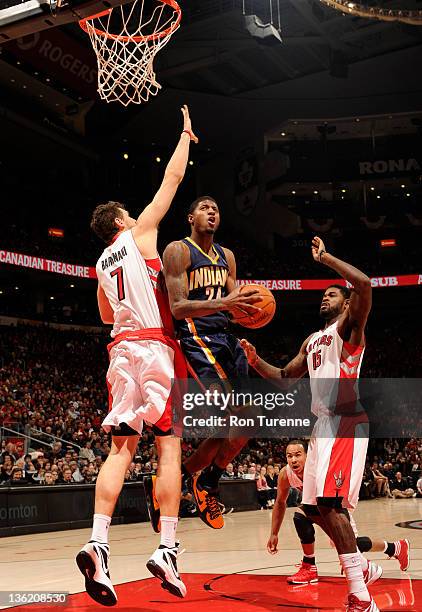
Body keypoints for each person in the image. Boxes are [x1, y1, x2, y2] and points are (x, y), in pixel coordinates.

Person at [76, 105, 197, 605]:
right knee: (169, 446)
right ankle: (167, 546)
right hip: (154, 347)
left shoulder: (102, 263)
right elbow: (169, 182)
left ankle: (98, 541)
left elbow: (107, 315)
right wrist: (186, 136)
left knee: (120, 450)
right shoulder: (139, 232)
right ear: (122, 220)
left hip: (119, 352)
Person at [242, 236, 380, 611]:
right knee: (316, 510)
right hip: (322, 428)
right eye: (324, 295)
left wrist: (326, 259)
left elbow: (365, 284)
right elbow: (286, 376)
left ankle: (361, 595)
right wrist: (256, 361)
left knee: (333, 505)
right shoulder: (314, 340)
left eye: (333, 295)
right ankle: (363, 568)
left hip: (346, 421)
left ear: (347, 305)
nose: (325, 298)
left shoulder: (350, 329)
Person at [161, 196, 260, 529]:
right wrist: (226, 301)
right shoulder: (178, 250)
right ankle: (198, 482)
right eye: (205, 208)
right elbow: (177, 308)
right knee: (222, 425)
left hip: (226, 340)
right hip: (196, 339)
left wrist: (251, 316)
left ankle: (200, 480)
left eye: (216, 208)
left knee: (247, 423)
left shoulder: (226, 256)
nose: (212, 212)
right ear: (191, 217)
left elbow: (236, 306)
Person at [266, 440, 410, 587]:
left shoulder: (320, 470)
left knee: (349, 544)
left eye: (298, 455)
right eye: (289, 456)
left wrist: (347, 557)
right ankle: (309, 567)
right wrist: (274, 533)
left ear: (308, 456)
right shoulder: (286, 474)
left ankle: (395, 547)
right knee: (300, 516)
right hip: (316, 508)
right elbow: (280, 502)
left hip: (337, 506)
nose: (293, 460)